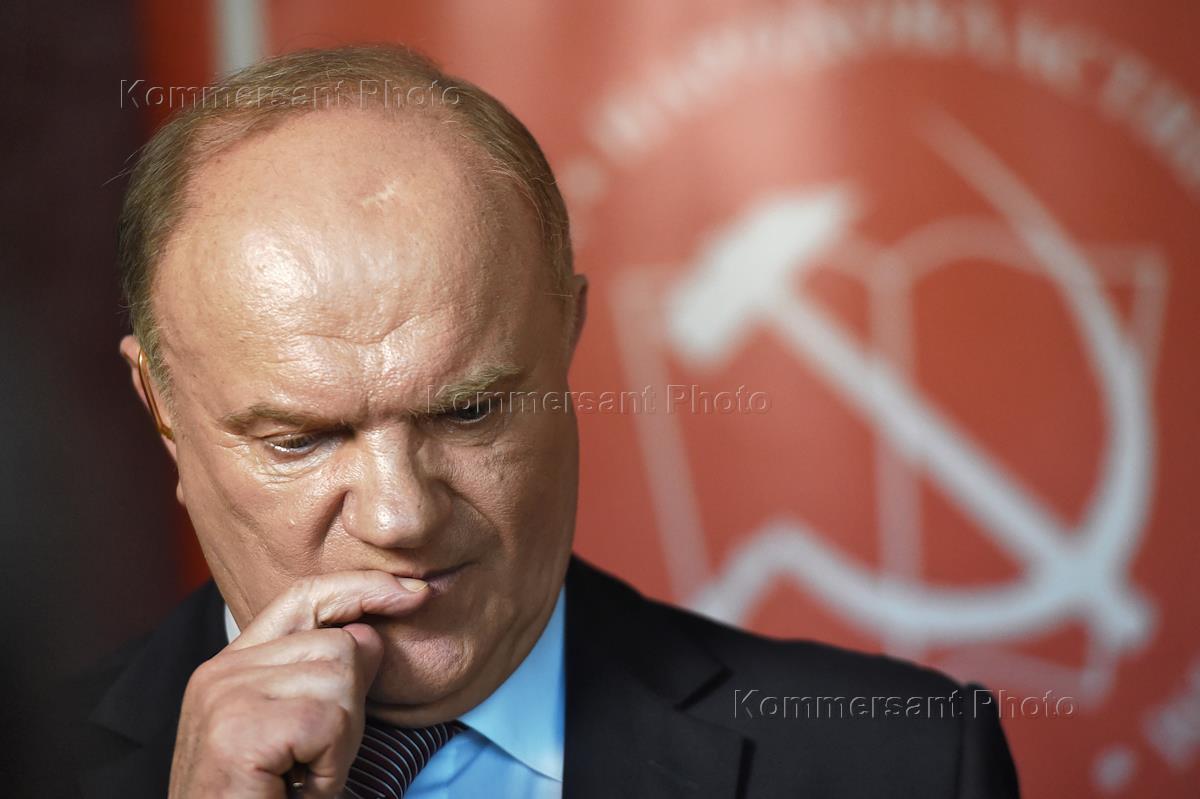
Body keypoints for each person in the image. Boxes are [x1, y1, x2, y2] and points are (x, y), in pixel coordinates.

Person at [68, 44, 1019, 797]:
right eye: (300, 439)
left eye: (470, 410)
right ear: (162, 409)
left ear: (569, 333)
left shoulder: (900, 762)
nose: (401, 517)